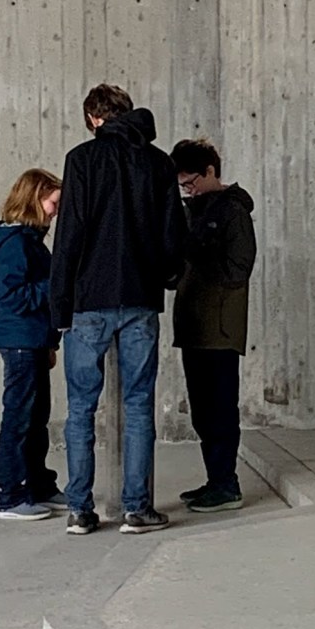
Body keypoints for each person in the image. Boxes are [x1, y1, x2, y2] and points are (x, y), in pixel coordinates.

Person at [50, 84, 187, 536]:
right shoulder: (159, 162)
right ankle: (136, 508)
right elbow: (173, 234)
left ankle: (80, 510)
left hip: (89, 301)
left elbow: (69, 236)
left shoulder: (81, 160)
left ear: (94, 118)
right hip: (140, 299)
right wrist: (165, 277)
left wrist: (59, 307)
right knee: (139, 404)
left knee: (80, 408)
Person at [171, 137, 257, 512]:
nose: (188, 190)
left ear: (210, 171)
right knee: (203, 411)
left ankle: (226, 484)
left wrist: (196, 253)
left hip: (220, 327)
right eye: (182, 186)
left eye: (191, 182)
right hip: (193, 325)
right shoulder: (193, 211)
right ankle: (216, 479)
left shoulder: (232, 211)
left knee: (220, 409)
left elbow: (239, 269)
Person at [0, 168, 66, 521]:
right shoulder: (16, 243)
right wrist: (55, 285)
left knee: (36, 418)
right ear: (36, 198)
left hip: (33, 341)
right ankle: (10, 496)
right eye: (53, 203)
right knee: (19, 418)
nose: (56, 211)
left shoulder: (31, 241)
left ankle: (39, 485)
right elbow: (13, 297)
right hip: (20, 342)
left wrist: (49, 343)